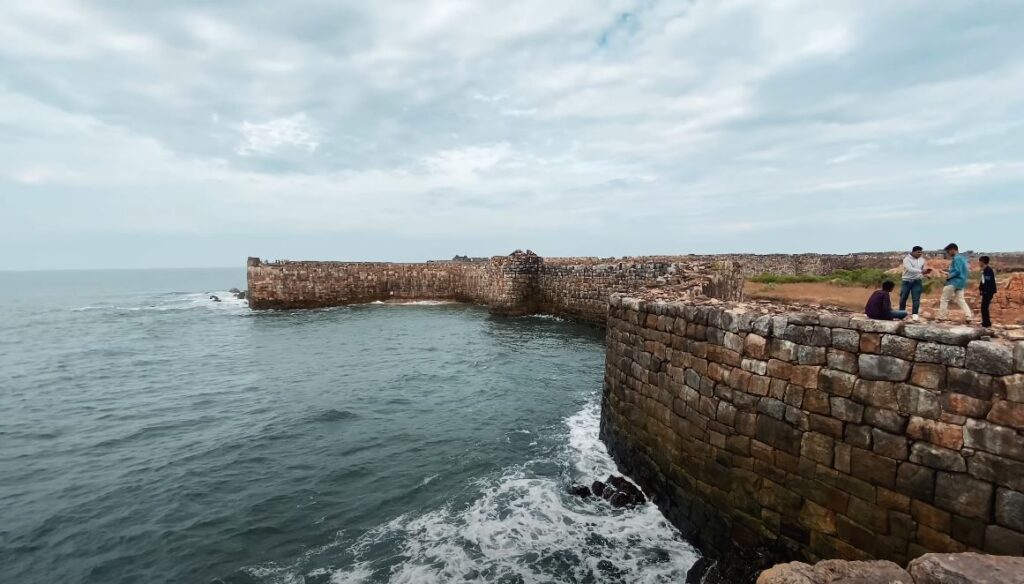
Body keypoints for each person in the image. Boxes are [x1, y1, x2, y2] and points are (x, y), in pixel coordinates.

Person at [938, 243, 973, 322]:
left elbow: (957, 271)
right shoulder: (963, 259)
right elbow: (963, 271)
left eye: (948, 252)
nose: (948, 254)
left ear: (953, 250)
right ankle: (968, 316)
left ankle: (942, 316)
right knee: (961, 300)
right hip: (961, 282)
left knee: (944, 299)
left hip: (953, 282)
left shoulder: (956, 258)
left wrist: (949, 276)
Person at [899, 245, 930, 321]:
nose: (920, 254)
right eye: (918, 252)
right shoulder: (906, 259)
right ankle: (901, 314)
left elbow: (922, 269)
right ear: (913, 252)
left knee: (916, 298)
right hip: (907, 281)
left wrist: (925, 274)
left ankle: (915, 314)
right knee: (903, 298)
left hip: (917, 281)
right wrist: (921, 271)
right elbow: (910, 269)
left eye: (921, 252)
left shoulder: (922, 260)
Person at [979, 255, 997, 327]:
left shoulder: (988, 270)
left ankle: (986, 323)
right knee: (984, 307)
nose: (979, 263)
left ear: (983, 262)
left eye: (980, 262)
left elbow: (987, 282)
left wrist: (984, 291)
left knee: (984, 307)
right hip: (986, 292)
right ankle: (986, 322)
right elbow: (983, 282)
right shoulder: (985, 270)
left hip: (988, 292)